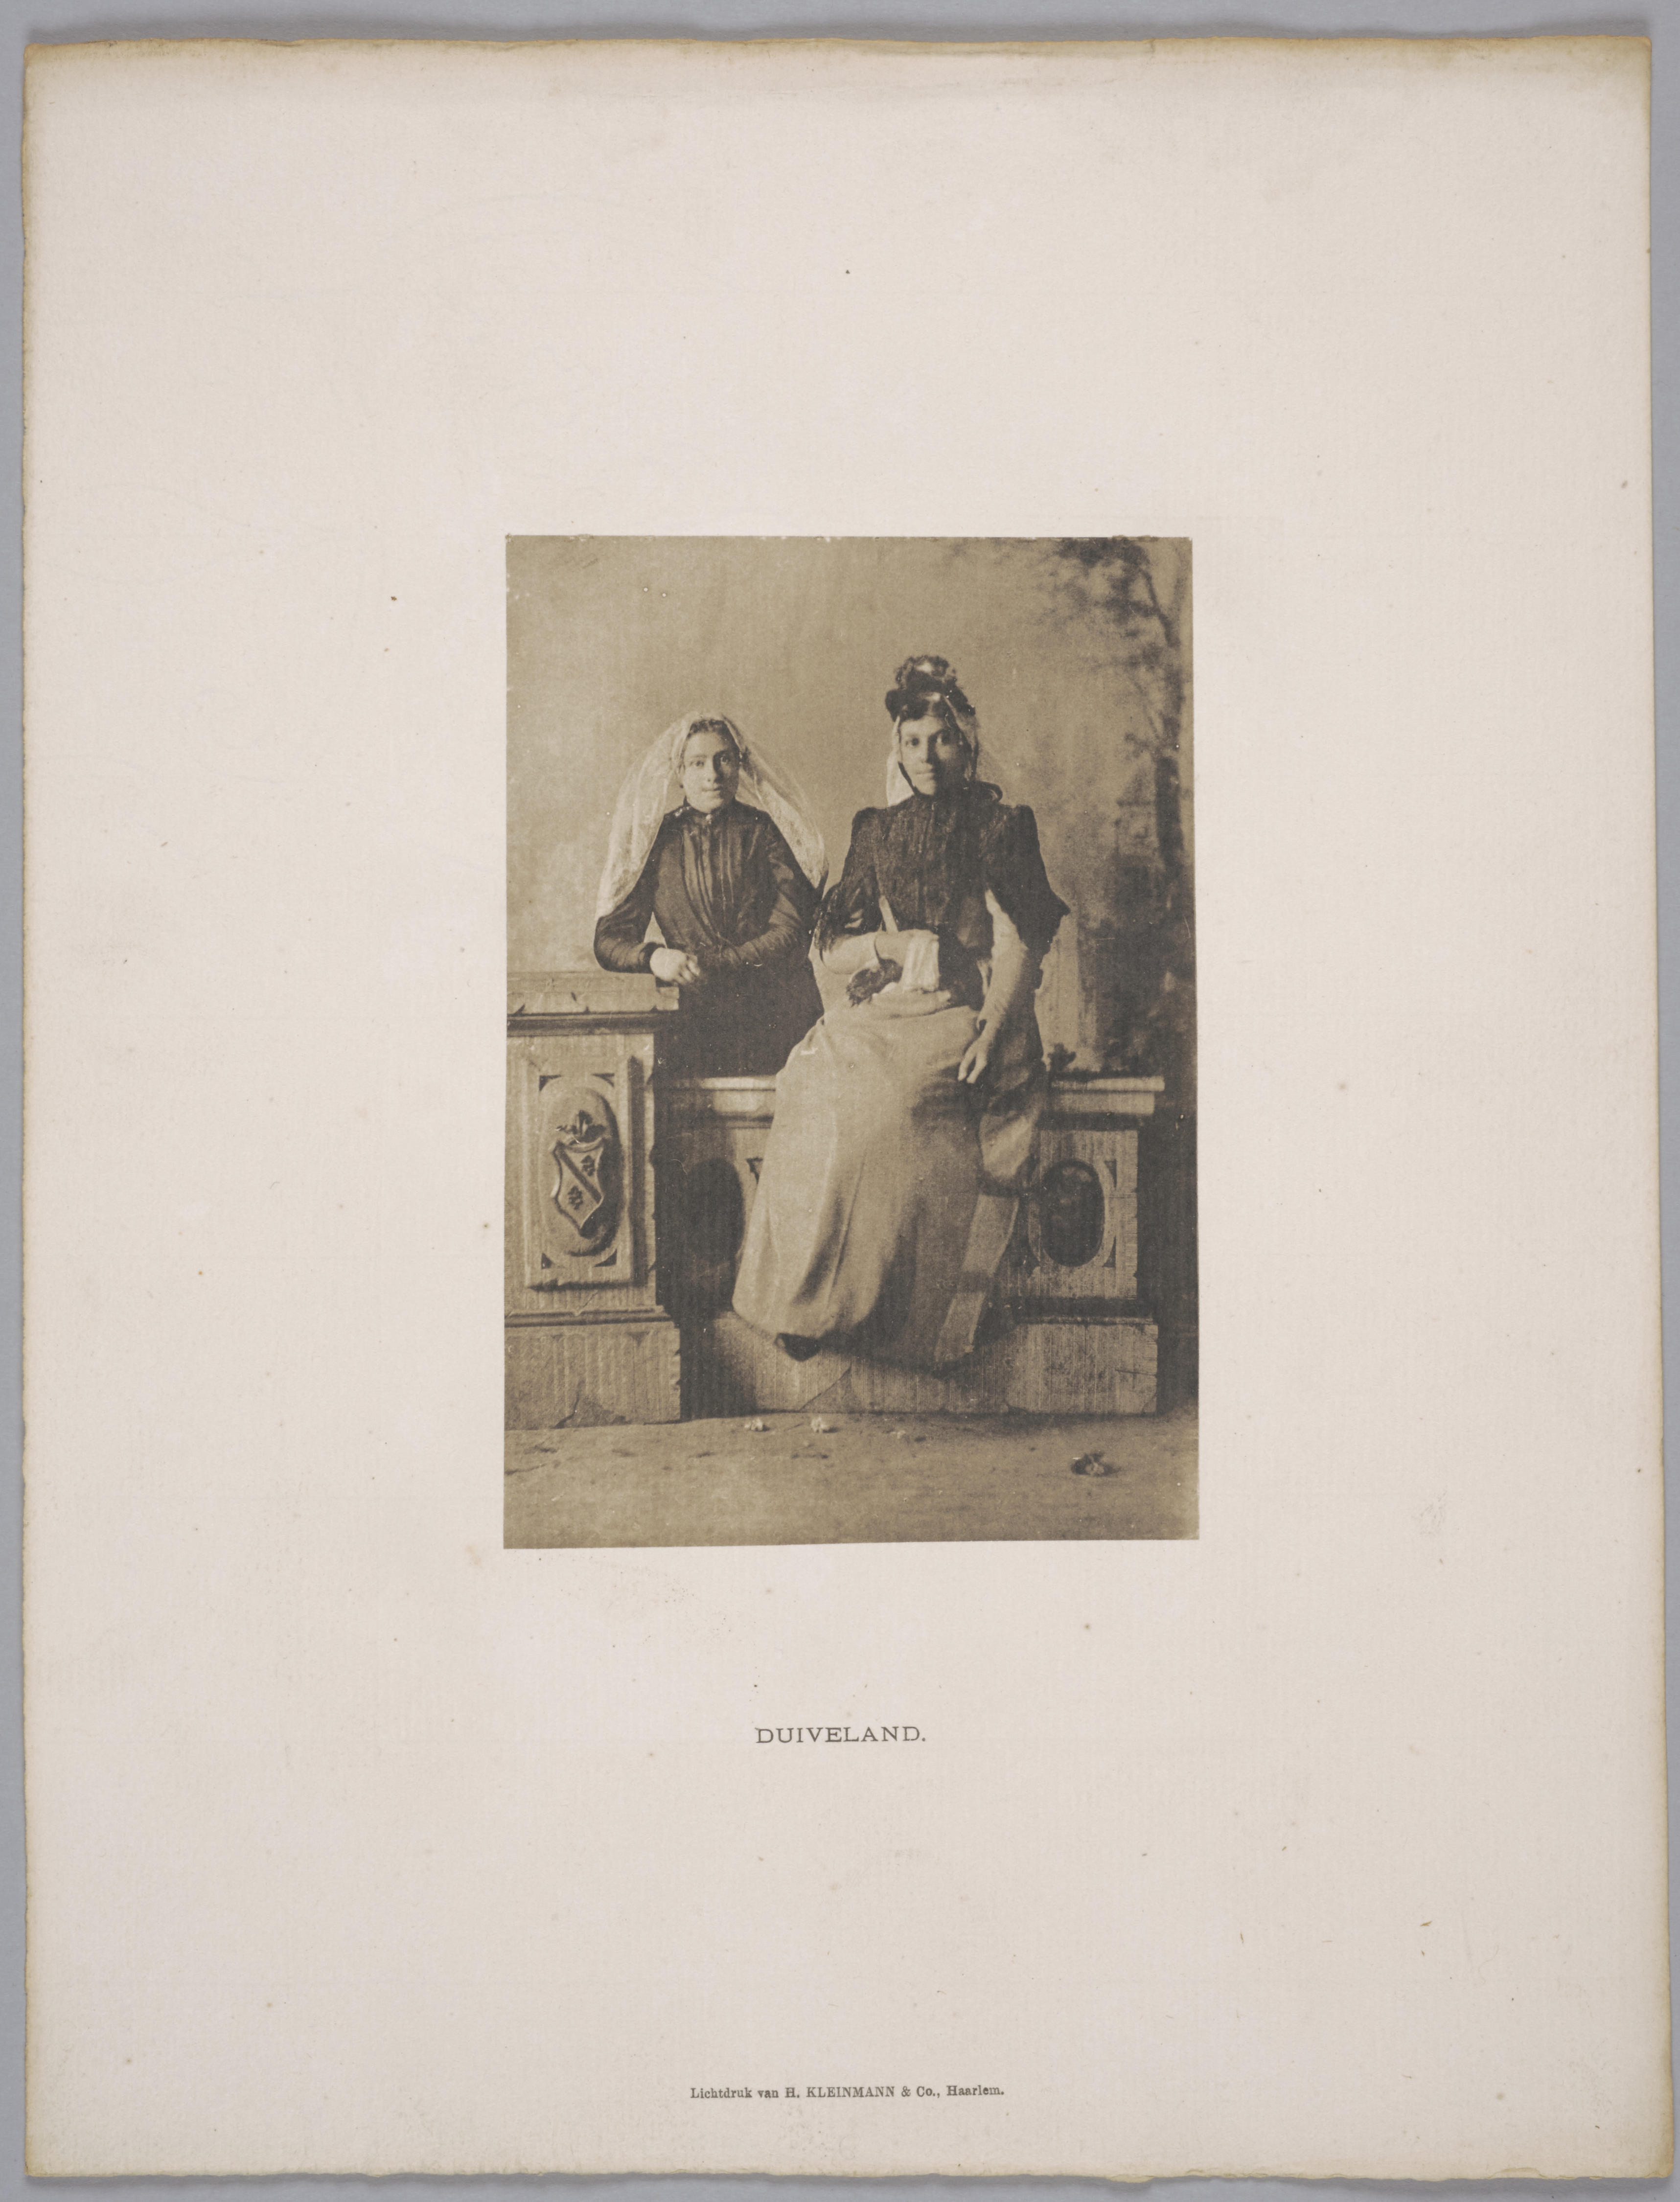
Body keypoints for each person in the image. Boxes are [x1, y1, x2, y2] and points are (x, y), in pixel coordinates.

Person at [732, 656, 1068, 1368]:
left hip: (969, 1008)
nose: (927, 757)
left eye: (941, 740)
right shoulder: (877, 830)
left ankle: (859, 1310)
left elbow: (1020, 942)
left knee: (888, 1104)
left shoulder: (1001, 826)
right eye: (912, 742)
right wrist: (891, 944)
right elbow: (831, 948)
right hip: (892, 1003)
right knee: (811, 1084)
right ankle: (797, 1300)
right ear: (897, 747)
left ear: (966, 744)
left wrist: (993, 1032)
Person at [593, 714, 827, 1076]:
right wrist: (655, 958)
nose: (713, 775)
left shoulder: (766, 832)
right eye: (698, 763)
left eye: (724, 759)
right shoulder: (655, 841)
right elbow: (608, 940)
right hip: (692, 1015)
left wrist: (716, 965)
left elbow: (792, 930)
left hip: (774, 1008)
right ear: (679, 771)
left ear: (740, 765)